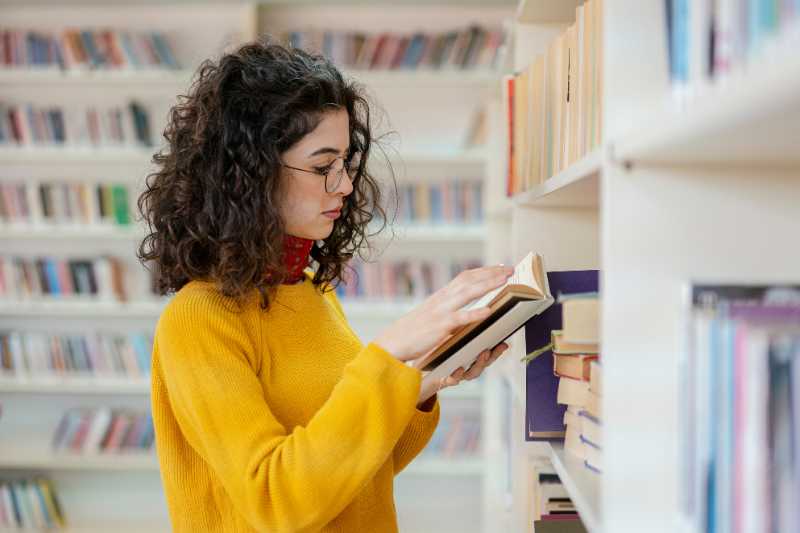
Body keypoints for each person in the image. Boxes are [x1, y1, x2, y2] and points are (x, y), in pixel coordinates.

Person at [137, 39, 512, 533]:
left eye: (345, 163)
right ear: (249, 173)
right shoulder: (198, 320)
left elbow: (357, 474)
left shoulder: (312, 291)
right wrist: (389, 352)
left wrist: (421, 382)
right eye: (321, 167)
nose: (346, 186)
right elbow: (279, 502)